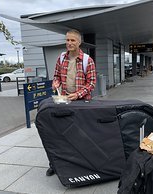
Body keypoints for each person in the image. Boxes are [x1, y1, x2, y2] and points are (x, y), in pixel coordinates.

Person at [46, 29, 97, 176]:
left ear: (79, 42)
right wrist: (55, 83)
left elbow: (92, 83)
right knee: (59, 132)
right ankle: (56, 164)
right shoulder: (61, 58)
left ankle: (83, 163)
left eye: (73, 40)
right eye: (67, 40)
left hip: (82, 102)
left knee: (82, 134)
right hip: (64, 100)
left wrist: (78, 94)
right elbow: (56, 76)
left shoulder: (88, 60)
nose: (69, 43)